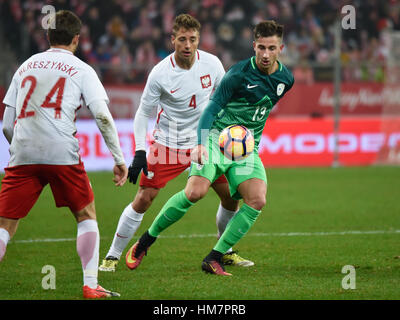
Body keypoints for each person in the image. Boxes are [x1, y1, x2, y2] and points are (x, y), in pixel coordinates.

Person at [125, 20, 294, 275]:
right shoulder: (237, 74)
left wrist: (249, 138)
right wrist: (201, 143)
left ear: (281, 48)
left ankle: (215, 256)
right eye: (261, 48)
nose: (266, 54)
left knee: (257, 199)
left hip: (245, 149)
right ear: (254, 46)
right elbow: (211, 109)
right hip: (216, 138)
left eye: (271, 48)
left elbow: (259, 112)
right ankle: (146, 241)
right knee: (195, 193)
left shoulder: (286, 79)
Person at [99, 14, 254, 273]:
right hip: (169, 143)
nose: (187, 45)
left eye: (192, 39)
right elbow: (142, 113)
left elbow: (224, 99)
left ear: (198, 40)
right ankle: (112, 256)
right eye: (182, 39)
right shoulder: (160, 73)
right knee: (144, 198)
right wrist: (139, 152)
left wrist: (229, 132)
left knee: (230, 197)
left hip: (206, 142)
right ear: (173, 40)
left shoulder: (213, 64)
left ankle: (224, 251)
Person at [0, 10, 128, 298]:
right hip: (62, 153)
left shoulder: (25, 66)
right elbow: (103, 117)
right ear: (76, 39)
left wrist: (21, 147)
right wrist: (119, 159)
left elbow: (7, 123)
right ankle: (91, 284)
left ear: (48, 36)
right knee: (86, 213)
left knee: (4, 225)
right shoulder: (82, 69)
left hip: (23, 152)